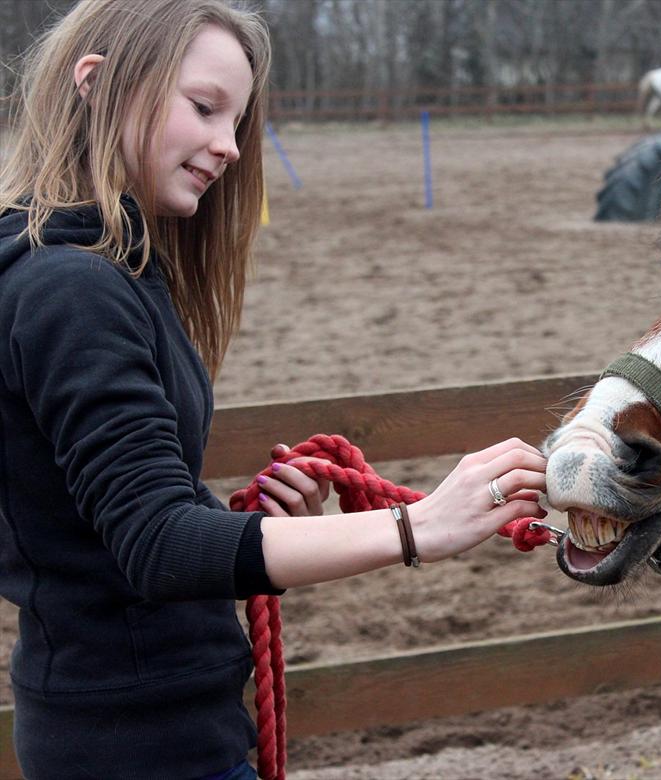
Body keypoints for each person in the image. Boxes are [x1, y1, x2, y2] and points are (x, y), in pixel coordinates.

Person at [0, 1, 547, 778]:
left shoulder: (96, 270)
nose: (227, 146)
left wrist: (246, 529)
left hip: (148, 724)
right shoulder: (71, 289)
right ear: (97, 82)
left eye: (238, 120)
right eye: (203, 108)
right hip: (142, 746)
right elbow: (157, 547)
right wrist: (415, 526)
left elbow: (108, 528)